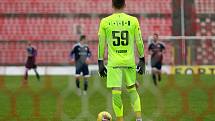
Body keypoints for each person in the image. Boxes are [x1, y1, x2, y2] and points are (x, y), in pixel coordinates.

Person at [98, 0, 145, 120]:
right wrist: (142, 59)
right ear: (125, 5)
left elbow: (101, 44)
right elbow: (139, 41)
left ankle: (120, 119)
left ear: (112, 5)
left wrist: (100, 62)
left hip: (114, 63)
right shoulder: (133, 20)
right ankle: (139, 118)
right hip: (129, 61)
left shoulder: (105, 22)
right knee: (132, 89)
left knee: (116, 92)